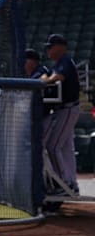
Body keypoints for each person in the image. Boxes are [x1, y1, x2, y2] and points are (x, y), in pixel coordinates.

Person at [39, 34, 80, 194]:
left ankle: (64, 184)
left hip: (68, 108)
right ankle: (71, 182)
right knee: (65, 148)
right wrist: (46, 78)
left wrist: (46, 80)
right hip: (62, 109)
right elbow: (48, 75)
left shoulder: (65, 61)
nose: (48, 49)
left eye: (51, 46)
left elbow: (58, 77)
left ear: (60, 47)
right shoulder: (58, 63)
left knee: (53, 146)